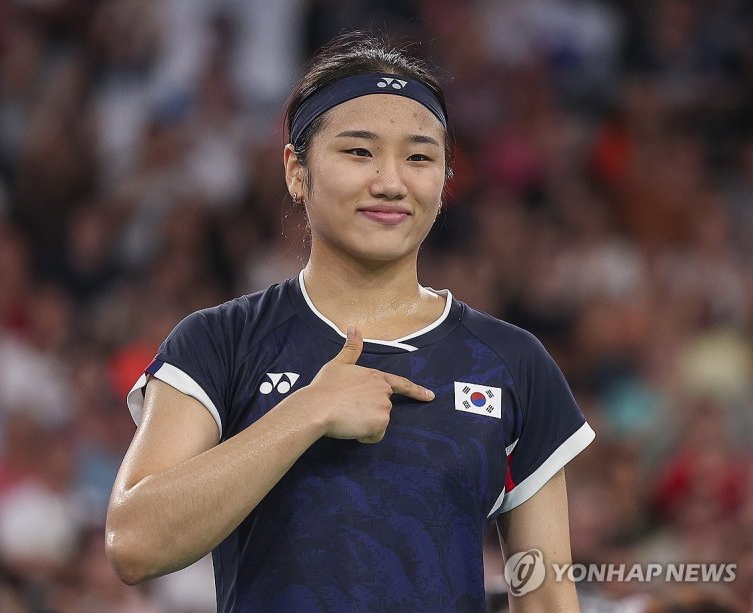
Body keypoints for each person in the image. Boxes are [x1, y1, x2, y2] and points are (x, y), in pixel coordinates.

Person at [105, 32, 595, 612]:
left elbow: (545, 597)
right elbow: (134, 543)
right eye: (359, 152)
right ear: (296, 170)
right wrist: (308, 411)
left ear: (444, 180)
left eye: (419, 157)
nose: (391, 182)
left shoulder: (512, 362)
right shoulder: (219, 341)